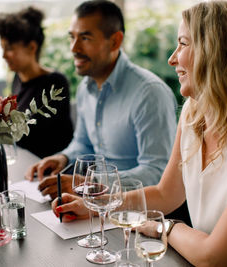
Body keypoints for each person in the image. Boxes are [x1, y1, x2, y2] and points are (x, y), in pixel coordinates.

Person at [51, 1, 227, 266]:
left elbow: (214, 257)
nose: (171, 58)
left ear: (220, 53)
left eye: (183, 44)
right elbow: (166, 194)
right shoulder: (194, 112)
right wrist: (98, 205)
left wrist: (164, 227)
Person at [25, 0, 178, 198]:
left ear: (115, 41)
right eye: (72, 37)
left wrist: (92, 183)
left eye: (85, 38)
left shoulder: (149, 93)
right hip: (96, 204)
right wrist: (62, 158)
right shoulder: (84, 88)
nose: (74, 48)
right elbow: (83, 144)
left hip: (138, 213)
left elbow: (157, 173)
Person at [0, 6, 74, 158]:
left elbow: (29, 134)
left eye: (9, 48)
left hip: (49, 169)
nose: (4, 55)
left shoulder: (55, 83)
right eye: (2, 48)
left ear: (31, 47)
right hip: (25, 163)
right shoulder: (18, 78)